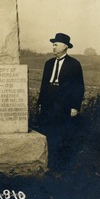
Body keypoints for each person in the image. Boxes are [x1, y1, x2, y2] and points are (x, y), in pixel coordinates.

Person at [38, 32, 85, 174]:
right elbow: (43, 85)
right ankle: (48, 164)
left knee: (64, 135)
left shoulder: (74, 64)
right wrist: (40, 103)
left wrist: (75, 107)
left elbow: (79, 87)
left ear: (65, 47)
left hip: (64, 106)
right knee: (48, 133)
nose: (53, 47)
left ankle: (63, 168)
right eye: (53, 44)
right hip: (48, 105)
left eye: (56, 44)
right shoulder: (49, 64)